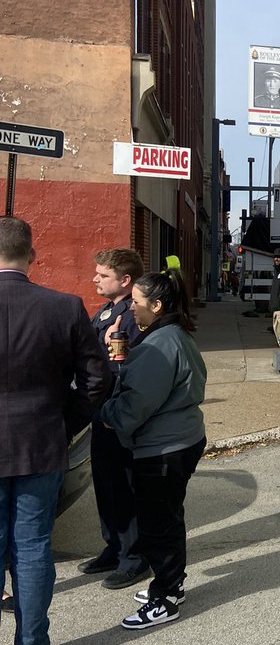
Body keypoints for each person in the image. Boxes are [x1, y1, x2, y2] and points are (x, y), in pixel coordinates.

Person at [0, 217, 110, 645]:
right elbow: (96, 379)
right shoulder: (64, 307)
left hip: (33, 441)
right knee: (32, 546)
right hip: (41, 442)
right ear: (31, 255)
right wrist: (63, 424)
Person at [101, 263, 207, 629]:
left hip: (164, 447)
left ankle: (165, 596)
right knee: (168, 517)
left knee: (157, 524)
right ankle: (171, 583)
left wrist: (104, 412)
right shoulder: (175, 335)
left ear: (157, 306)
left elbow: (135, 405)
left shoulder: (160, 344)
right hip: (181, 438)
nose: (131, 308)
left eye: (135, 301)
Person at [79, 248, 150, 590]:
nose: (95, 279)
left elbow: (130, 370)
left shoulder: (132, 315)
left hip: (121, 417)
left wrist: (114, 351)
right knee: (105, 484)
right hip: (101, 413)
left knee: (124, 487)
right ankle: (114, 546)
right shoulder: (105, 311)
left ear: (125, 280)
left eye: (103, 275)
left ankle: (134, 557)